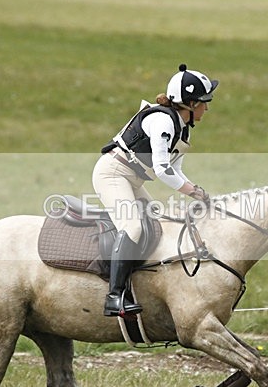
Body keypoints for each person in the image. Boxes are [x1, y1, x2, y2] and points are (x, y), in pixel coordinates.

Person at [92, 64, 218, 318]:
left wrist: (198, 191)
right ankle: (114, 296)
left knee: (159, 222)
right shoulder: (162, 121)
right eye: (204, 102)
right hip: (112, 174)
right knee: (134, 227)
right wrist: (193, 192)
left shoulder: (181, 128)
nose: (207, 107)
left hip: (132, 180)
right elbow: (161, 170)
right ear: (191, 104)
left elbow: (175, 170)